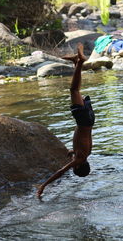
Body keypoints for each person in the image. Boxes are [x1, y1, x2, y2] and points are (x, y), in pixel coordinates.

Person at [36, 43, 94, 198]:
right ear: (79, 166)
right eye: (75, 167)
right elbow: (61, 172)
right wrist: (43, 186)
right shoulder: (80, 158)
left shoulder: (85, 153)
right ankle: (81, 61)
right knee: (73, 90)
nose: (72, 164)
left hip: (88, 120)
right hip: (83, 121)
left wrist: (73, 151)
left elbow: (83, 143)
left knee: (77, 90)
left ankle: (76, 62)